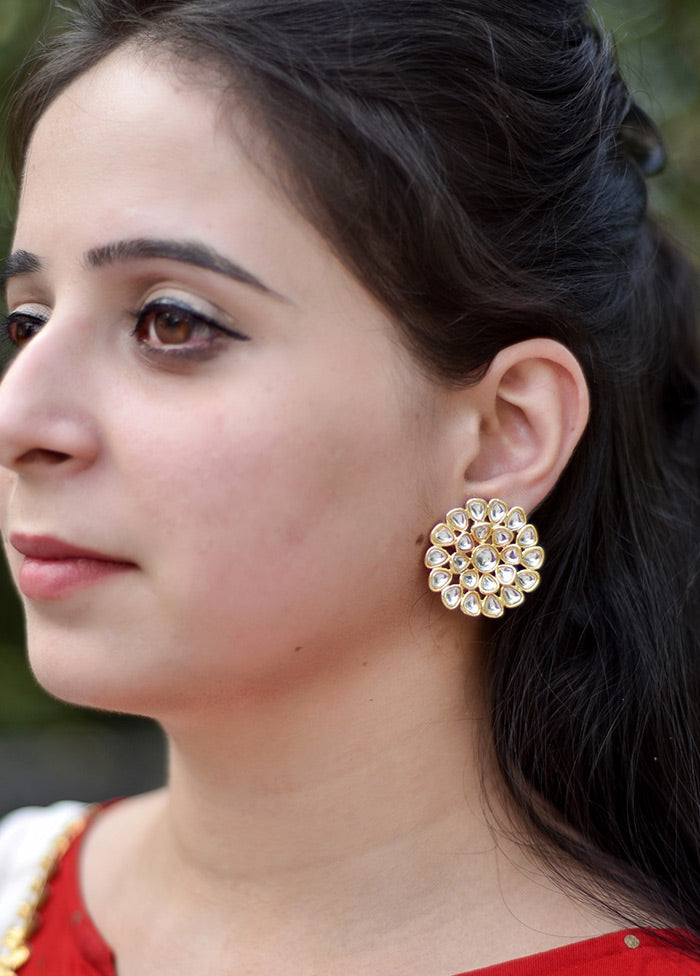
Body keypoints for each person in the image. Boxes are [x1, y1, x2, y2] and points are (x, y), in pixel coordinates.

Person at [0, 0, 698, 973]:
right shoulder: (15, 887)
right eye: (27, 322)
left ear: (502, 435)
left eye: (170, 321)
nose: (18, 420)